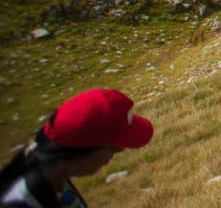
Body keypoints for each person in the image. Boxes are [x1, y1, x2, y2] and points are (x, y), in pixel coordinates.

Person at [1, 89, 153, 208]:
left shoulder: (51, 173)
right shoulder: (20, 203)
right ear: (80, 151)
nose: (113, 157)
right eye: (115, 149)